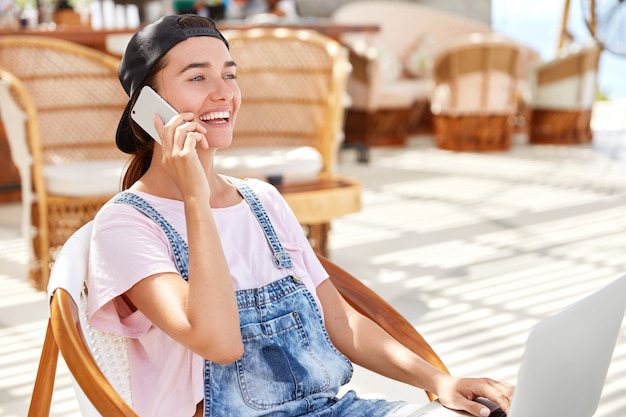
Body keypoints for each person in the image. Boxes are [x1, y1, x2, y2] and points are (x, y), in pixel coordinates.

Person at [87, 14, 514, 417]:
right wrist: (196, 195)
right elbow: (219, 343)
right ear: (148, 106)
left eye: (229, 74)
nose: (223, 93)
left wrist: (440, 379)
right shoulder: (126, 225)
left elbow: (341, 321)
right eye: (198, 77)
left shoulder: (262, 201)